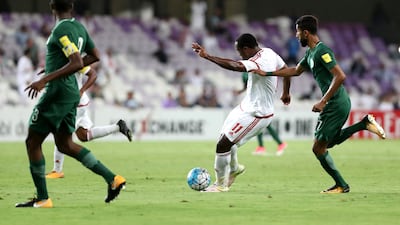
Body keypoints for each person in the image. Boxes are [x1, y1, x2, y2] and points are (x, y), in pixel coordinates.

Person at [251, 15, 386, 194]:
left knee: (318, 148)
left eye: (298, 32)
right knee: (327, 144)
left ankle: (341, 185)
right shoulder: (310, 53)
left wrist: (323, 101)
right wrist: (267, 73)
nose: (296, 35)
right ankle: (364, 124)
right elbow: (295, 70)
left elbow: (340, 76)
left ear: (306, 32)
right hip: (337, 102)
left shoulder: (322, 51)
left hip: (335, 103)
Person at [16, 0, 126, 208]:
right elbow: (94, 56)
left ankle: (42, 198)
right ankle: (113, 179)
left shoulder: (61, 29)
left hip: (57, 92)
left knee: (32, 142)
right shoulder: (79, 27)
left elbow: (76, 61)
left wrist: (45, 80)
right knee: (65, 144)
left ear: (51, 6)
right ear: (72, 6)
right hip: (71, 94)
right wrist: (55, 67)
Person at [191, 33, 291, 192]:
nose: (240, 55)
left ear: (246, 48)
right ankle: (235, 168)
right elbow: (286, 70)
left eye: (240, 52)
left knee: (223, 144)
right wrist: (286, 92)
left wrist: (208, 56)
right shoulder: (269, 52)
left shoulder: (258, 61)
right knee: (224, 139)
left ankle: (220, 185)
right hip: (245, 107)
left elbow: (236, 66)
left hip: (258, 114)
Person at [46, 66, 132, 179]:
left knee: (61, 135)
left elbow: (93, 74)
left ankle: (57, 170)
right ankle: (118, 127)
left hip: (75, 104)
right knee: (84, 135)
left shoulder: (75, 60)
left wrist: (81, 90)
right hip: (77, 103)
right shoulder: (61, 61)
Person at [235, 71, 287, 156]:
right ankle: (271, 145)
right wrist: (240, 91)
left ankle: (273, 145)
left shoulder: (256, 69)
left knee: (262, 123)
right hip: (253, 101)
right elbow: (246, 86)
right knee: (261, 123)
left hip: (262, 99)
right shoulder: (244, 73)